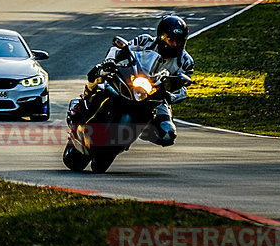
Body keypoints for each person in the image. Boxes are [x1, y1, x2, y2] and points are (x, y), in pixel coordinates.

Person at [73, 13, 194, 146]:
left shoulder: (186, 61)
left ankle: (142, 131)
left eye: (179, 41)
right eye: (171, 40)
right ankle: (83, 103)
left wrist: (171, 95)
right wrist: (110, 61)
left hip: (158, 96)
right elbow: (120, 49)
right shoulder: (145, 41)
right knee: (98, 73)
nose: (175, 44)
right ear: (161, 36)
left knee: (168, 134)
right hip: (132, 78)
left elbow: (183, 88)